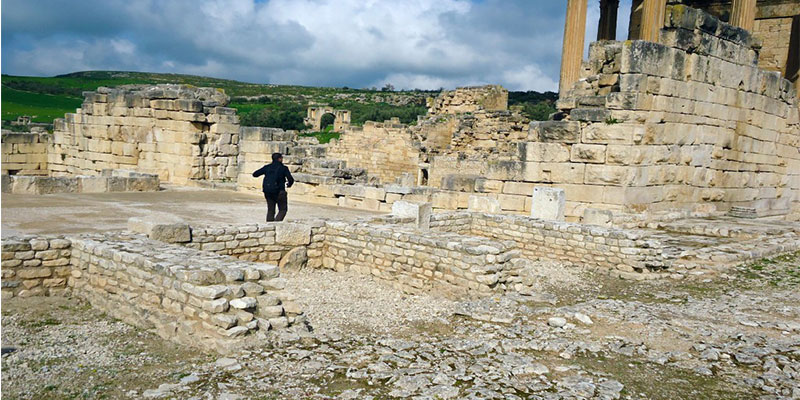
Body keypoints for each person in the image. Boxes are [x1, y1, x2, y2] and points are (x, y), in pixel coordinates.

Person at [253, 153, 294, 222]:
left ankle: (269, 226)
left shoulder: (267, 167)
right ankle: (276, 223)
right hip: (279, 191)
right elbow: (290, 179)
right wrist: (289, 184)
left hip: (268, 191)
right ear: (280, 159)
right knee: (283, 209)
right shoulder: (283, 168)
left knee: (271, 210)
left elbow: (255, 174)